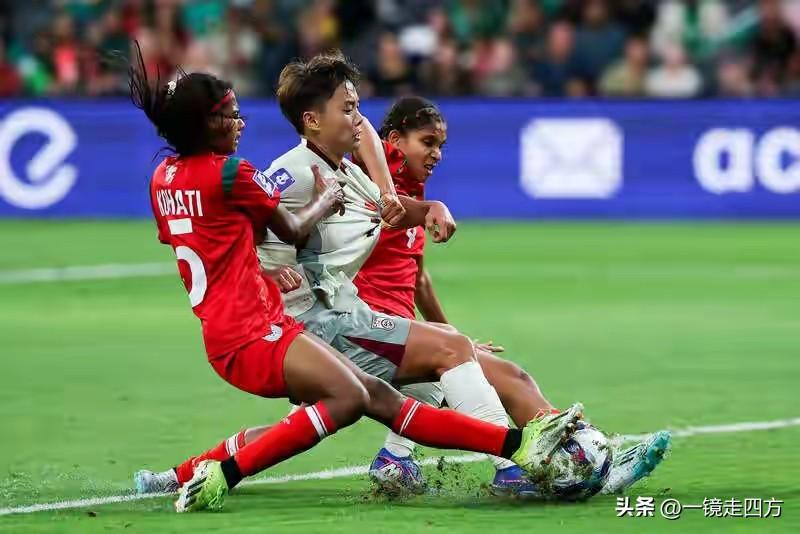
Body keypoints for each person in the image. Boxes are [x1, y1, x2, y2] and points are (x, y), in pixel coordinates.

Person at [130, 43, 582, 512]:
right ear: (313, 120)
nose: (360, 120)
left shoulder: (341, 170)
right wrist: (271, 266)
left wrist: (430, 207)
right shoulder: (291, 173)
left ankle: (184, 474)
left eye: (357, 108)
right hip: (307, 321)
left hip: (302, 320)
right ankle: (514, 462)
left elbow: (220, 231)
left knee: (351, 403)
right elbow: (262, 228)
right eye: (348, 109)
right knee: (448, 353)